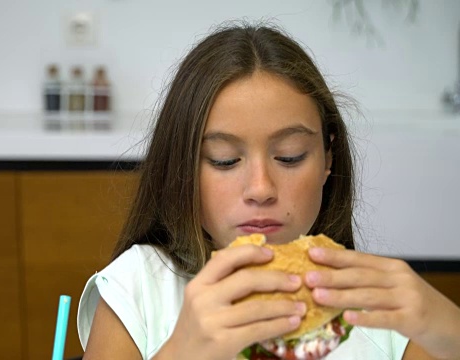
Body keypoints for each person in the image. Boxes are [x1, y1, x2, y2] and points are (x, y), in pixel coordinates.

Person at [76, 21, 460, 360]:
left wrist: (449, 330)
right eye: (225, 160)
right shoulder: (138, 288)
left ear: (329, 158)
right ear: (182, 170)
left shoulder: (382, 310)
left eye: (290, 157)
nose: (260, 189)